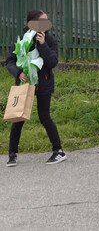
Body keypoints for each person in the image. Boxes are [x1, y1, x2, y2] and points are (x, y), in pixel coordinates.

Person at [5, 9, 66, 167]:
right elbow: (10, 60)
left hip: (43, 83)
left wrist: (43, 45)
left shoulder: (50, 40)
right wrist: (18, 73)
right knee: (18, 118)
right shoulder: (21, 39)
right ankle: (12, 155)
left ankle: (58, 151)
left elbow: (53, 62)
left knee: (44, 116)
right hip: (24, 83)